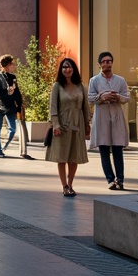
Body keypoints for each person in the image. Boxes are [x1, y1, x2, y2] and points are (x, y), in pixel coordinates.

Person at [46, 57, 89, 197]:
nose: (67, 69)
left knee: (74, 156)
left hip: (78, 125)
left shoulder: (81, 86)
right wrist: (55, 125)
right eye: (64, 67)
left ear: (74, 69)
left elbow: (85, 108)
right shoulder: (57, 86)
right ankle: (64, 185)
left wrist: (87, 124)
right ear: (61, 69)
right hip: (62, 125)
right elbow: (53, 108)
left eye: (69, 67)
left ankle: (71, 184)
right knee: (62, 156)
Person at [88, 51, 130, 190]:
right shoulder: (94, 81)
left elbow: (127, 97)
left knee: (118, 148)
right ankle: (110, 179)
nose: (107, 64)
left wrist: (118, 97)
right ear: (99, 64)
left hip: (116, 116)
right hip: (102, 117)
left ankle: (121, 179)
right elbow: (90, 98)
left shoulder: (120, 80)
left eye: (109, 61)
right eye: (104, 61)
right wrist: (102, 97)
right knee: (104, 148)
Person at [0, 54, 25, 159]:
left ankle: (4, 146)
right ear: (7, 65)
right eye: (11, 64)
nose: (13, 65)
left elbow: (17, 92)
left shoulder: (13, 78)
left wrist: (19, 104)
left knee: (13, 129)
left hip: (10, 107)